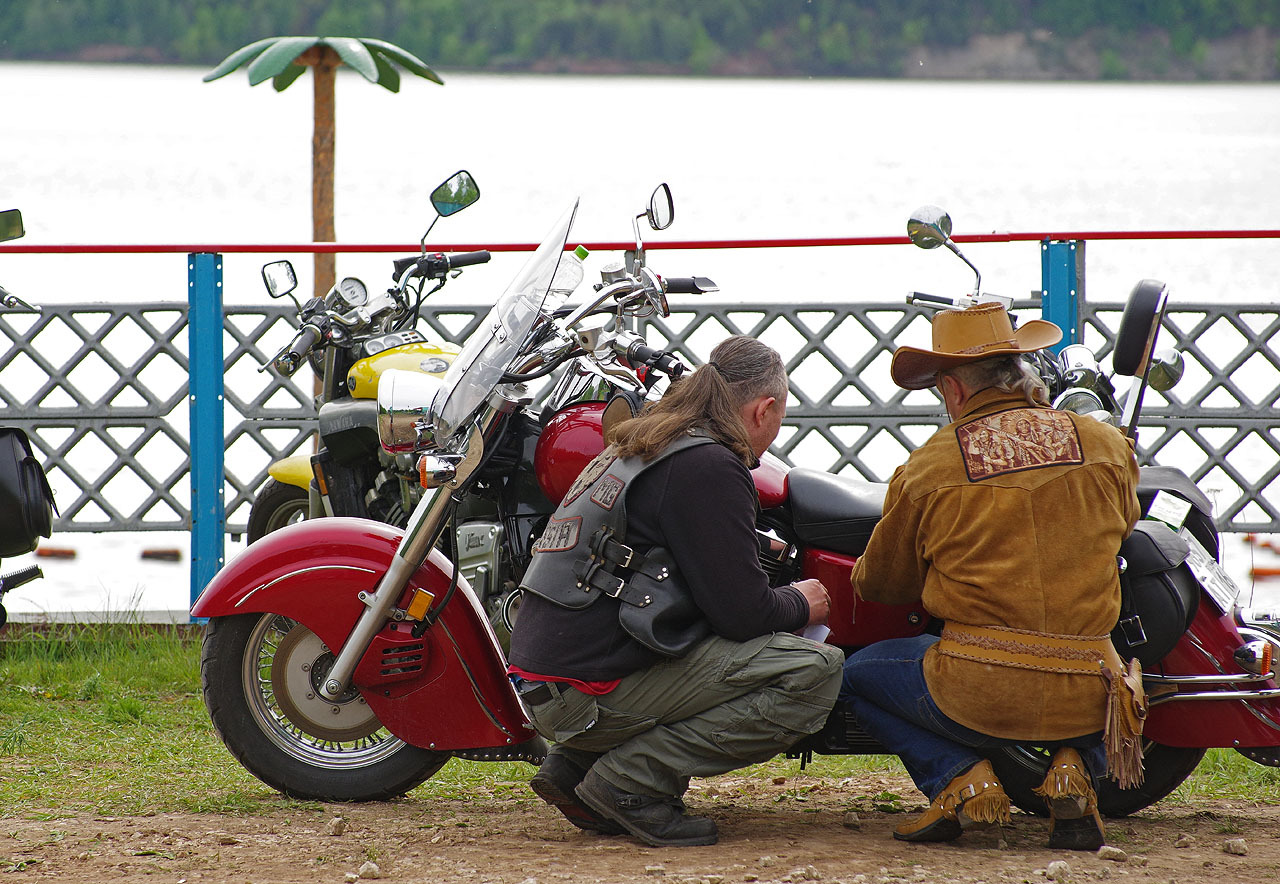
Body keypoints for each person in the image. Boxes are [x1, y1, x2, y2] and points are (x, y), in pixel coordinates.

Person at [508, 335, 844, 848]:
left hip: (548, 684)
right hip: (584, 696)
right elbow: (743, 616)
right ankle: (629, 783)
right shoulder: (711, 465)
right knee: (813, 672)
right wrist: (803, 600)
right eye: (780, 420)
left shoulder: (645, 444)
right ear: (765, 408)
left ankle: (577, 768)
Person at [840, 302, 1143, 851]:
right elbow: (1125, 528)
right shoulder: (1106, 447)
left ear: (953, 389)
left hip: (977, 692)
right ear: (1021, 370)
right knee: (1107, 670)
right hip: (1089, 691)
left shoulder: (929, 467)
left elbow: (884, 587)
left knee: (855, 674)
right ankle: (1073, 769)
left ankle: (960, 779)